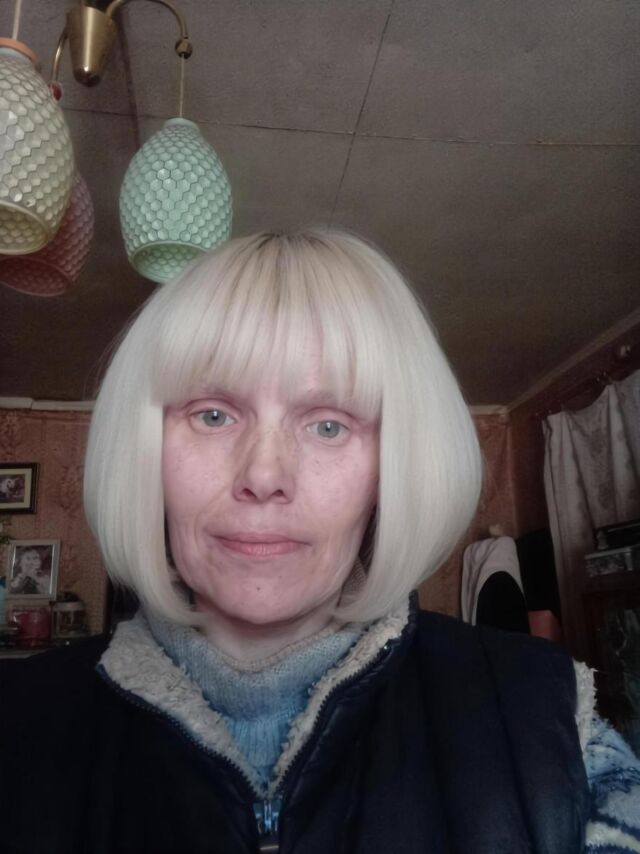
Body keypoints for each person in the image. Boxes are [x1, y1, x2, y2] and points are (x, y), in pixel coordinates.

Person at [1, 229, 638, 853]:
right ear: (145, 453)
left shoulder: (551, 720)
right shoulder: (17, 723)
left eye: (329, 425)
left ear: (390, 469)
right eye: (212, 415)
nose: (263, 476)